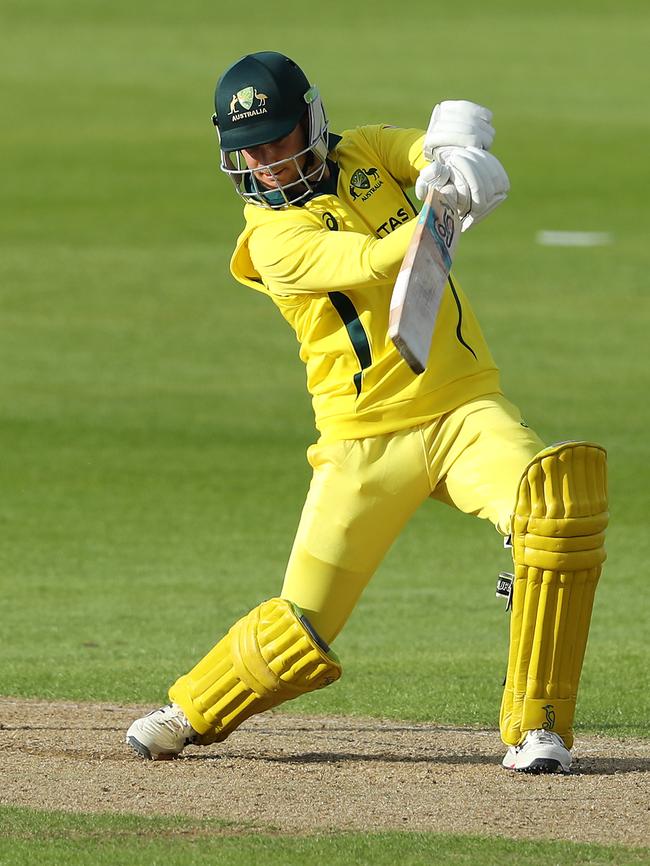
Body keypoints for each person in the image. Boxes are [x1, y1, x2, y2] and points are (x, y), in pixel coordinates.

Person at [126, 51, 608, 773]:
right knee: (300, 629)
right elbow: (382, 262)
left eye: (279, 139)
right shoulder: (270, 238)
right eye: (249, 151)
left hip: (465, 408)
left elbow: (423, 148)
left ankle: (538, 727)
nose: (267, 161)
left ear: (312, 121)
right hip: (363, 445)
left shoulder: (363, 151)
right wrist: (447, 206)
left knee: (554, 514)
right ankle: (191, 709)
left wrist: (454, 154)